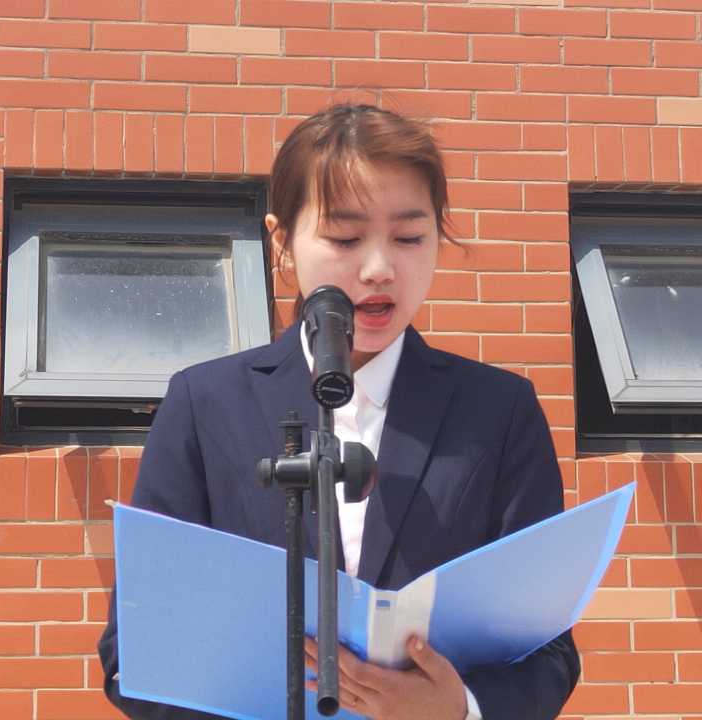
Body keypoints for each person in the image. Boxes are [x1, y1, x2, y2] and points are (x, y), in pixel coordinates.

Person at [99, 103, 580, 719]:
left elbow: (549, 654)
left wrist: (458, 708)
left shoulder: (499, 411)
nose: (379, 269)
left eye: (409, 237)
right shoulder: (203, 404)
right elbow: (134, 651)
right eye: (345, 238)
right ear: (282, 241)